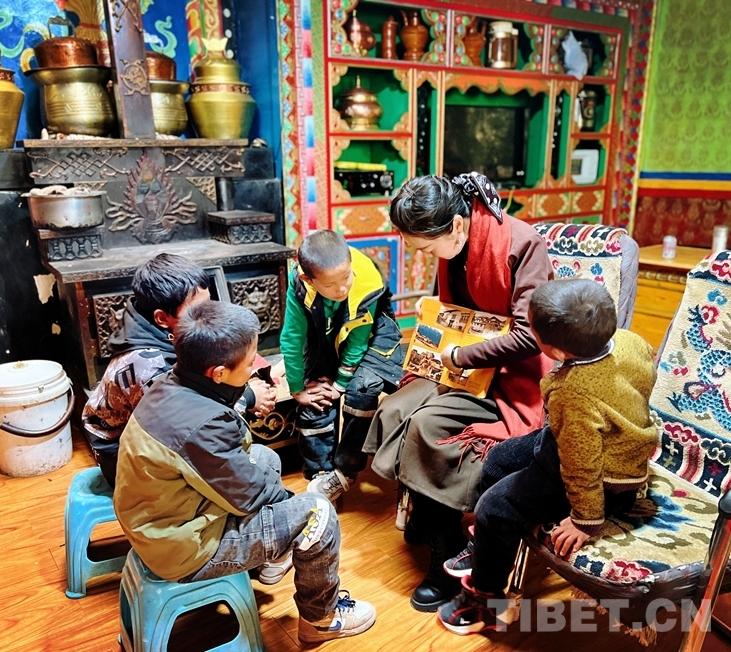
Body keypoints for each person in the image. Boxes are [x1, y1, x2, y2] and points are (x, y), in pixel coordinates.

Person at [113, 301, 377, 643]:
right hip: (182, 549)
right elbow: (250, 495)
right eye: (250, 362)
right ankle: (320, 619)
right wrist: (289, 508)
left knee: (265, 458)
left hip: (155, 522)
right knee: (318, 514)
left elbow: (233, 465)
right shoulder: (203, 425)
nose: (255, 367)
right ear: (219, 373)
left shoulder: (169, 383)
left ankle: (268, 561)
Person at [363, 173, 554, 612]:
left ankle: (446, 548)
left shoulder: (522, 245)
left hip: (511, 376)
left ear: (456, 225)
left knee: (427, 427)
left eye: (427, 250)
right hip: (464, 366)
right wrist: (433, 322)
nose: (425, 256)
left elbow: (531, 336)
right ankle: (428, 511)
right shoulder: (455, 243)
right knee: (396, 408)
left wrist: (462, 355)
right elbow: (454, 309)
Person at [438, 279, 658, 635]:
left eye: (532, 330)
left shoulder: (573, 392)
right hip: (581, 442)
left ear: (554, 351)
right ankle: (491, 547)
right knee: (498, 459)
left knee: (492, 508)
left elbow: (581, 463)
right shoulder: (629, 340)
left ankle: (485, 600)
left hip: (603, 481)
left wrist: (586, 520)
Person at [82, 253, 275, 489]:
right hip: (124, 460)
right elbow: (185, 426)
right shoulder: (149, 367)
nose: (206, 315)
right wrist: (248, 397)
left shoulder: (159, 328)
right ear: (162, 318)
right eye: (197, 309)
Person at [280, 230, 404, 501]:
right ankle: (320, 473)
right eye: (330, 284)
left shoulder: (366, 280)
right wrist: (298, 389)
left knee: (363, 390)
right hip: (323, 334)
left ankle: (345, 470)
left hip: (369, 337)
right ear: (308, 280)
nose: (341, 289)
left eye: (346, 277)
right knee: (315, 397)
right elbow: (292, 337)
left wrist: (340, 384)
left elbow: (359, 339)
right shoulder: (299, 284)